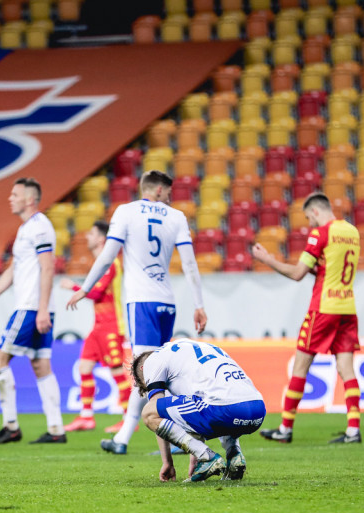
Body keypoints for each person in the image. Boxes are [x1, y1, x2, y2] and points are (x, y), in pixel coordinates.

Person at [67, 170, 207, 455]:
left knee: (144, 374)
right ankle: (126, 438)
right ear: (157, 190)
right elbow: (190, 264)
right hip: (167, 303)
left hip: (141, 302)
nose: (169, 198)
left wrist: (84, 288)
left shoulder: (126, 212)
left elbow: (107, 255)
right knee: (160, 373)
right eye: (167, 192)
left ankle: (146, 439)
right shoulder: (177, 217)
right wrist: (199, 304)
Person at [251, 192, 363, 445]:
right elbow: (330, 269)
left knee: (301, 365)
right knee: (346, 368)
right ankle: (353, 430)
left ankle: (286, 428)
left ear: (314, 212)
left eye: (307, 218)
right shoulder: (352, 232)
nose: (309, 224)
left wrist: (267, 259)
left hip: (323, 308)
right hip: (347, 307)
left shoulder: (321, 233)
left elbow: (297, 273)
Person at [0, 178, 66, 445]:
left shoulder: (39, 228)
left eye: (14, 194)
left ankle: (11, 426)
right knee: (40, 365)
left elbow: (48, 267)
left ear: (29, 199)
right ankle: (56, 429)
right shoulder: (27, 229)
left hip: (30, 308)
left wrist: (41, 310)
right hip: (36, 308)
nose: (9, 198)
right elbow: (13, 271)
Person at [130, 339, 264, 482]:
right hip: (257, 410)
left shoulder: (153, 361)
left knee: (149, 412)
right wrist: (194, 457)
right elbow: (191, 410)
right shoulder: (195, 349)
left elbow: (156, 408)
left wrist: (167, 462)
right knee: (212, 398)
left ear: (143, 369)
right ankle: (234, 455)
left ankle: (207, 457)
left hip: (224, 409)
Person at [58, 221, 131, 433]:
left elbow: (95, 293)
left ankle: (127, 420)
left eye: (91, 233)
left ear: (101, 239)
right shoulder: (100, 262)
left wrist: (73, 286)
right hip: (98, 326)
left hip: (111, 325)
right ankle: (87, 417)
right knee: (84, 367)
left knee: (117, 370)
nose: (87, 237)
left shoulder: (110, 263)